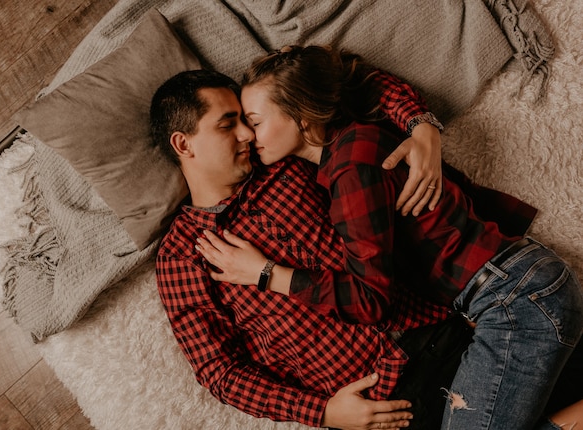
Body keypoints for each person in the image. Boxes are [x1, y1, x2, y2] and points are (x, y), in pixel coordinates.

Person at [194, 45, 583, 429]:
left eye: (255, 121)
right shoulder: (346, 151)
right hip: (511, 290)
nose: (247, 134)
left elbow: (372, 300)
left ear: (300, 114)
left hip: (512, 299)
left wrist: (266, 273)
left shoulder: (352, 167)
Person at [151, 68, 469, 430]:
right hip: (374, 405)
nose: (246, 134)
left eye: (245, 120)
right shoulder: (180, 256)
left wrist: (421, 125)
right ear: (183, 144)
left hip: (435, 334)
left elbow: (357, 85)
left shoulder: (284, 159)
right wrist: (322, 412)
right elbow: (220, 372)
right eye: (227, 125)